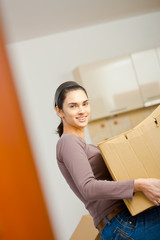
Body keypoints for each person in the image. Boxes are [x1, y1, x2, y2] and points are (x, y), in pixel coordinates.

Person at [54, 81, 160, 240]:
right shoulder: (68, 141)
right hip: (122, 224)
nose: (82, 110)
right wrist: (139, 184)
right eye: (73, 106)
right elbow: (88, 187)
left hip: (124, 220)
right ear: (59, 111)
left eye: (85, 104)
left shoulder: (83, 145)